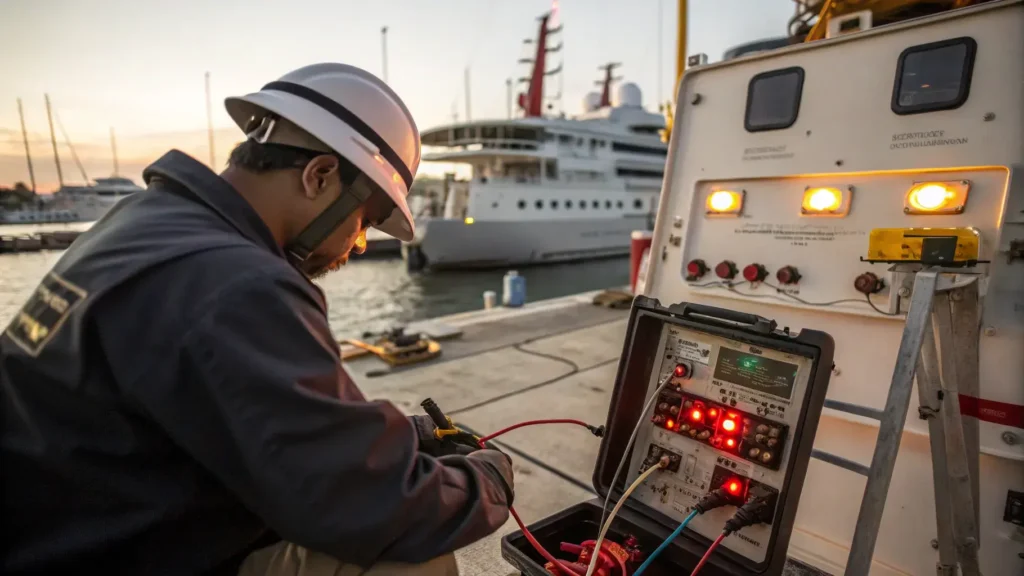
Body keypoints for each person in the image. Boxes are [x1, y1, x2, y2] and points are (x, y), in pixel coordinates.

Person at [0, 63, 514, 575]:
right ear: (319, 176)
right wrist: (489, 481)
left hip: (77, 530)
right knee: (412, 562)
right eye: (365, 221)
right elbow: (370, 507)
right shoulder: (237, 283)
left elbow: (245, 413)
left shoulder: (143, 223)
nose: (359, 244)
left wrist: (410, 433)